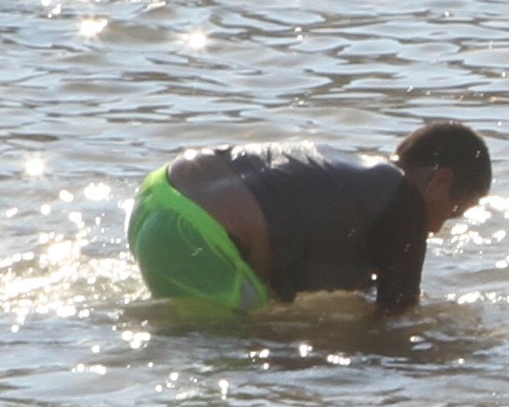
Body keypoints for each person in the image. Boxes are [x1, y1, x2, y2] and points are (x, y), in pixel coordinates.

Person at [139, 124, 490, 315]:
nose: (437, 228)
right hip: (199, 233)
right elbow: (398, 316)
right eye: (454, 211)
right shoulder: (405, 202)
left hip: (155, 198)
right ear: (439, 180)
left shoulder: (353, 175)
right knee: (241, 360)